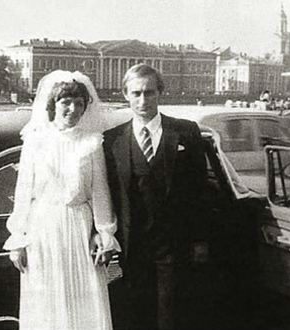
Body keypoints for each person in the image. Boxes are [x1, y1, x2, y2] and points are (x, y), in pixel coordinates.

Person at [4, 70, 120, 330]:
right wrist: (18, 239)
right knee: (46, 302)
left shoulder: (92, 142)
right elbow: (24, 192)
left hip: (79, 227)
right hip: (43, 229)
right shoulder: (35, 141)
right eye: (65, 102)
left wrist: (104, 234)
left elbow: (100, 192)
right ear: (52, 105)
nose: (73, 109)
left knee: (84, 299)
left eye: (79, 103)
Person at [103, 64, 208, 330]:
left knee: (170, 316)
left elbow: (200, 191)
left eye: (149, 92)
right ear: (125, 94)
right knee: (136, 315)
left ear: (160, 92)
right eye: (136, 93)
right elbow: (108, 194)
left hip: (173, 244)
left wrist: (198, 240)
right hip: (131, 246)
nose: (142, 100)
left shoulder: (186, 132)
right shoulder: (112, 140)